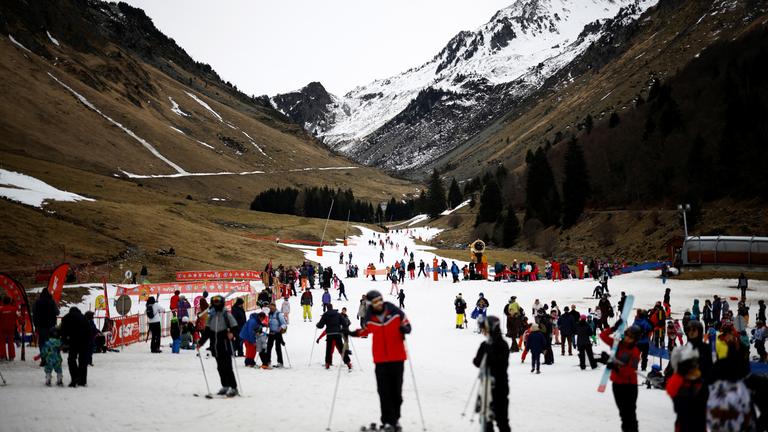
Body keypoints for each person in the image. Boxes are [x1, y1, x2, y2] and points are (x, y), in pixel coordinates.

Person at [349, 291, 411, 431]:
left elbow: (407, 325)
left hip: (397, 358)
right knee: (384, 392)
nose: (378, 304)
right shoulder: (369, 317)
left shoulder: (395, 312)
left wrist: (405, 329)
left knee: (397, 393)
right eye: (375, 302)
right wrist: (352, 333)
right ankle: (388, 421)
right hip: (380, 360)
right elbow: (365, 331)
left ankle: (395, 420)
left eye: (379, 300)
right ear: (370, 304)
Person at [600, 320, 641, 432]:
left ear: (635, 339)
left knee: (630, 414)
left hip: (629, 386)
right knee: (623, 414)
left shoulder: (635, 351)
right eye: (627, 335)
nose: (628, 338)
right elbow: (603, 336)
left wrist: (615, 366)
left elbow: (630, 369)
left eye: (631, 337)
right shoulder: (618, 344)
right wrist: (613, 328)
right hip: (617, 385)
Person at [472, 315, 511, 432]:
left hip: (499, 387)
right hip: (485, 388)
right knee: (485, 419)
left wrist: (489, 354)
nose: (483, 331)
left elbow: (500, 364)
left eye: (485, 328)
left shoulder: (502, 345)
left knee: (501, 420)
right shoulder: (485, 345)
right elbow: (477, 361)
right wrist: (484, 353)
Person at [197, 295, 239, 397]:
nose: (216, 304)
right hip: (215, 346)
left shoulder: (226, 315)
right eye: (214, 302)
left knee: (227, 367)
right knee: (220, 367)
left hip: (225, 345)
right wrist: (200, 343)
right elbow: (207, 332)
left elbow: (235, 327)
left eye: (218, 302)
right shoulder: (211, 316)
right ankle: (225, 386)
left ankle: (233, 387)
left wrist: (232, 333)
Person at [666, 344, 708, 432]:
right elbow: (671, 389)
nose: (695, 367)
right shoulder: (678, 382)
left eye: (695, 363)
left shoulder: (700, 381)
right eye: (692, 365)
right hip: (684, 425)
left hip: (700, 424)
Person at [59, 307, 91, 387]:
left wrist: (65, 343)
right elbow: (89, 330)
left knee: (71, 359)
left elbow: (63, 332)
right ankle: (83, 381)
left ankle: (75, 377)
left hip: (73, 341)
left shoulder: (66, 317)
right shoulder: (84, 317)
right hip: (84, 341)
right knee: (82, 360)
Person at [316, 303, 351, 369]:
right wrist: (345, 328)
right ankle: (348, 363)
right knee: (341, 349)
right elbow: (344, 323)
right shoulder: (338, 314)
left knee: (328, 350)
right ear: (332, 307)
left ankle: (327, 364)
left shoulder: (325, 315)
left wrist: (317, 325)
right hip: (337, 333)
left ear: (327, 308)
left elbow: (321, 325)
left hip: (329, 334)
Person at [33, 289, 59, 366]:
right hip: (51, 326)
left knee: (42, 343)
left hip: (41, 326)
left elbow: (34, 312)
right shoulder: (52, 302)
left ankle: (43, 359)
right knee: (51, 342)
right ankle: (51, 358)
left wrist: (35, 324)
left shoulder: (37, 302)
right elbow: (57, 312)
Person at [266, 302, 287, 368]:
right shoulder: (270, 314)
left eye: (272, 308)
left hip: (277, 333)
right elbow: (268, 322)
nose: (271, 309)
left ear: (275, 307)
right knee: (268, 348)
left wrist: (281, 327)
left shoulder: (279, 314)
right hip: (271, 332)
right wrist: (268, 324)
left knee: (278, 348)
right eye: (270, 308)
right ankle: (268, 361)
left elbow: (284, 324)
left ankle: (280, 362)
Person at [0, 296, 17, 361]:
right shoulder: (13, 309)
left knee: (2, 342)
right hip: (11, 328)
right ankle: (11, 356)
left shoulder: (0, 309)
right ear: (9, 301)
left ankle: (2, 356)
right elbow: (18, 316)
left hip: (1, 328)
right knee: (11, 342)